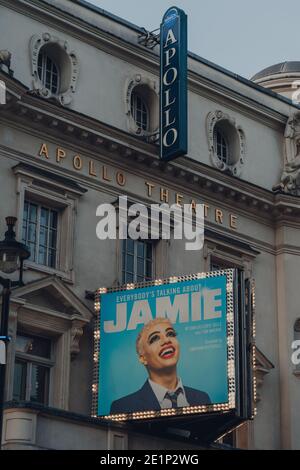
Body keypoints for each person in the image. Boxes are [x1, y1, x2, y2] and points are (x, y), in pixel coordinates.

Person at [110, 317, 211, 414]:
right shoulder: (122, 407)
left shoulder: (202, 398)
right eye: (154, 339)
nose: (166, 340)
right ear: (143, 358)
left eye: (170, 334)